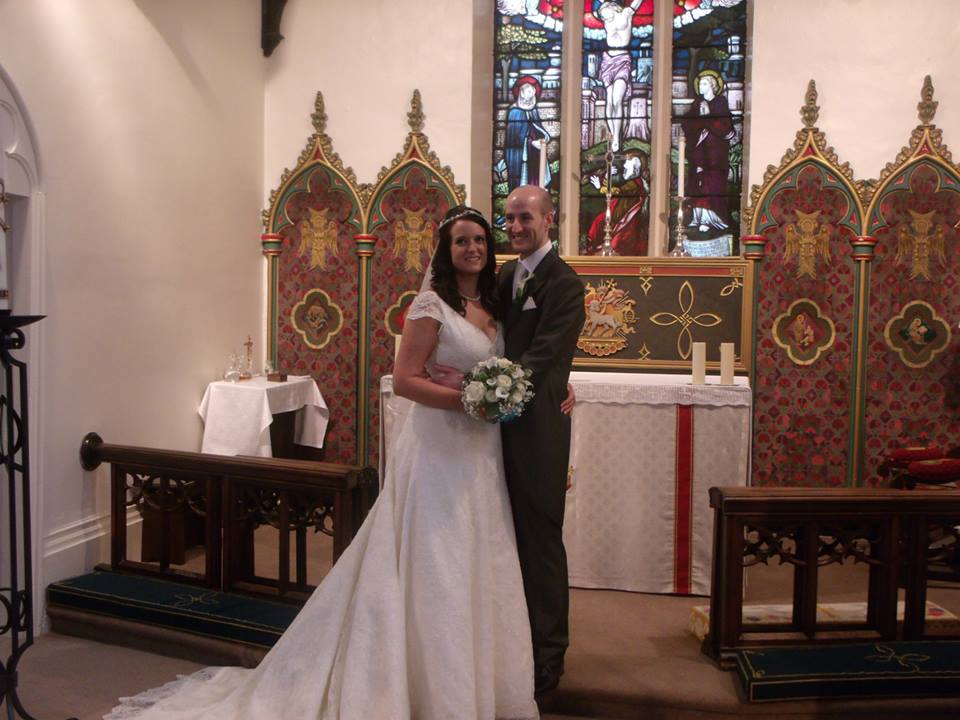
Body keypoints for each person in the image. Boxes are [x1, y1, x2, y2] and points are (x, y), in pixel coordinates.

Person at [104, 206, 540, 720]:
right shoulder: (430, 304)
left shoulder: (492, 302)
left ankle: (478, 685)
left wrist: (515, 392)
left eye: (480, 240)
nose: (473, 248)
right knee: (439, 558)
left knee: (480, 553)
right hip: (439, 448)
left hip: (481, 451)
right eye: (461, 241)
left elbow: (501, 366)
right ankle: (432, 691)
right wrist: (467, 400)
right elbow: (405, 380)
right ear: (445, 251)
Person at [435, 186, 585, 695]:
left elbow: (544, 352)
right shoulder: (503, 276)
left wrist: (497, 387)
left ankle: (548, 657)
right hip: (490, 431)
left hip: (537, 430)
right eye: (510, 218)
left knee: (541, 542)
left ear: (548, 220)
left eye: (525, 218)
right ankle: (509, 643)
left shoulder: (565, 284)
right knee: (499, 538)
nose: (516, 227)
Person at [681, 69, 736, 233]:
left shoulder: (720, 103)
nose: (700, 86)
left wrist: (707, 117)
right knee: (697, 186)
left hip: (715, 159)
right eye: (700, 84)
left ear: (712, 86)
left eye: (704, 84)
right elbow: (687, 124)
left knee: (712, 187)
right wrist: (702, 120)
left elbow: (725, 128)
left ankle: (713, 219)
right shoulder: (697, 104)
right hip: (697, 155)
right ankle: (697, 218)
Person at [595, 0, 642, 153]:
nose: (604, 18)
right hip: (607, 60)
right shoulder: (606, 17)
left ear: (612, 7)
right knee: (609, 100)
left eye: (605, 14)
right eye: (602, 17)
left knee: (617, 100)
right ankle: (613, 133)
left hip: (622, 60)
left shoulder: (626, 13)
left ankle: (616, 137)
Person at [505, 76, 552, 190]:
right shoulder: (514, 113)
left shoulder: (534, 111)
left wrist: (542, 139)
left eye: (532, 93)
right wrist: (531, 143)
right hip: (520, 155)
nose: (531, 96)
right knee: (523, 178)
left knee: (535, 177)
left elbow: (538, 128)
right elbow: (514, 139)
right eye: (529, 93)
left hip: (534, 153)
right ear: (521, 94)